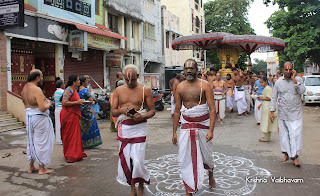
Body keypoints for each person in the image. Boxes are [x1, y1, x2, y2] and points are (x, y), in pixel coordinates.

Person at [173, 59, 216, 195]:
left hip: (203, 125)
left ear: (197, 70)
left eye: (192, 68)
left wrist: (211, 130)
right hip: (186, 125)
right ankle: (189, 188)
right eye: (186, 68)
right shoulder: (180, 87)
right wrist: (174, 132)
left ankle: (210, 175)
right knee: (186, 157)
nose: (189, 71)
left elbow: (212, 109)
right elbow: (177, 110)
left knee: (206, 155)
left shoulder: (206, 85)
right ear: (184, 70)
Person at [111, 64, 155, 196]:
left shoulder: (145, 90)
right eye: (126, 80)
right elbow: (113, 112)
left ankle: (141, 184)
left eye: (133, 80)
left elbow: (152, 111)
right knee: (127, 158)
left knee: (138, 159)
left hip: (140, 126)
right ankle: (132, 187)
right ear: (124, 78)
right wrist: (121, 110)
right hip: (125, 127)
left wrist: (143, 116)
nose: (130, 82)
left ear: (138, 76)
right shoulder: (118, 90)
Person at [270, 62, 306, 167]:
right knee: (285, 136)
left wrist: (294, 79)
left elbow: (302, 90)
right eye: (286, 69)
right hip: (283, 113)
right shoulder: (278, 82)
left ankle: (295, 156)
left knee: (296, 135)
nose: (288, 71)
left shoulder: (298, 80)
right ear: (283, 70)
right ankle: (286, 154)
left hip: (296, 113)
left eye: (290, 70)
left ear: (293, 70)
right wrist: (272, 111)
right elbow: (274, 97)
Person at [21, 69, 54, 174]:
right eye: (41, 77)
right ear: (37, 78)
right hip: (39, 118)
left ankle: (31, 167)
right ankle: (41, 168)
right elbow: (42, 108)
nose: (42, 79)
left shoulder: (25, 88)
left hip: (29, 116)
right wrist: (48, 103)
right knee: (41, 142)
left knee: (31, 142)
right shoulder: (36, 89)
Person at [60, 74, 87, 163]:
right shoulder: (68, 90)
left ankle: (76, 153)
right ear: (74, 82)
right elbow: (64, 102)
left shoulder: (74, 90)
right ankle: (71, 155)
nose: (79, 82)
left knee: (75, 134)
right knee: (70, 135)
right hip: (69, 115)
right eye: (78, 80)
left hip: (74, 114)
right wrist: (76, 102)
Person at [78, 76, 102, 149]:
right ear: (83, 82)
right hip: (88, 110)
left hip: (81, 110)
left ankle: (83, 143)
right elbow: (91, 100)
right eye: (86, 81)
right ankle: (90, 143)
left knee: (83, 126)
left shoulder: (77, 90)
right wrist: (93, 102)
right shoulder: (86, 90)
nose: (87, 82)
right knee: (91, 125)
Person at [258, 77, 278, 142]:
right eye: (260, 82)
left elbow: (269, 98)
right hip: (265, 105)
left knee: (265, 121)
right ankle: (266, 137)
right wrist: (260, 104)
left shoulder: (268, 89)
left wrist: (261, 99)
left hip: (267, 106)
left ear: (266, 82)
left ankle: (265, 138)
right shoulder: (266, 88)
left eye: (262, 82)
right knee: (266, 121)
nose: (261, 84)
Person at [54, 80, 65, 145]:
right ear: (61, 85)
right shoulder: (63, 92)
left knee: (57, 124)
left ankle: (58, 139)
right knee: (62, 124)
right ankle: (62, 139)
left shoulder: (55, 92)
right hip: (61, 108)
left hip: (56, 109)